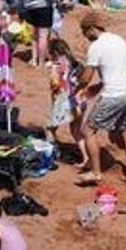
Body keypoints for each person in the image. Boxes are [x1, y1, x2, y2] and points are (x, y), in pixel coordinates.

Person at [76, 10, 126, 184]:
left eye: (85, 33)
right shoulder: (119, 40)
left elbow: (86, 77)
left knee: (88, 130)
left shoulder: (96, 47)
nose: (86, 37)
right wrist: (96, 88)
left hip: (113, 96)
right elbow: (114, 71)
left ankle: (95, 172)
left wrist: (76, 88)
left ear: (90, 29)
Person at [46, 38, 89, 169]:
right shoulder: (77, 63)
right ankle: (86, 157)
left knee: (50, 129)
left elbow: (55, 85)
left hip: (64, 103)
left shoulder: (57, 65)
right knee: (76, 130)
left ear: (54, 52)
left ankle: (52, 155)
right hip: (80, 101)